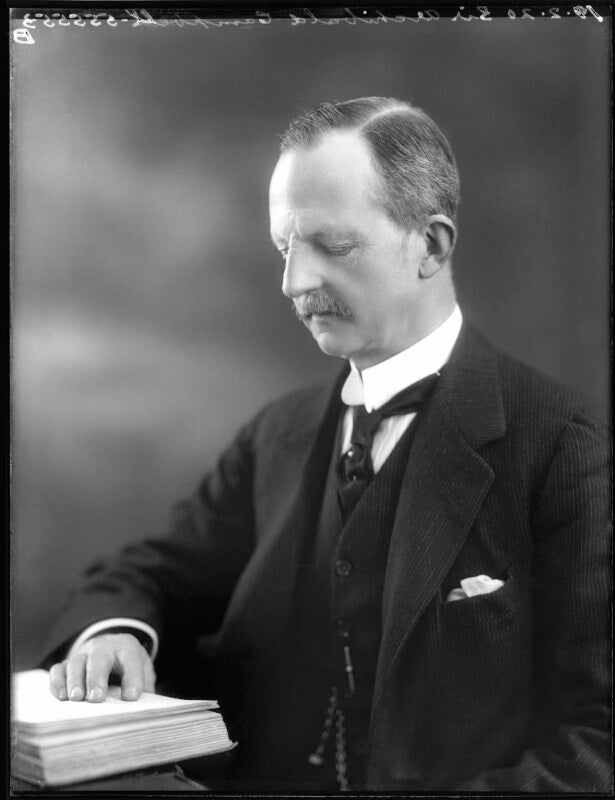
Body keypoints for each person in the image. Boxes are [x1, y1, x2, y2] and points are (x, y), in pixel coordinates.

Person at [43, 97, 610, 791]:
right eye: (284, 249)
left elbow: (597, 746)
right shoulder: (277, 435)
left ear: (431, 246)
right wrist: (115, 632)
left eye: (332, 247)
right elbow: (146, 573)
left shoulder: (566, 448)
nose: (294, 283)